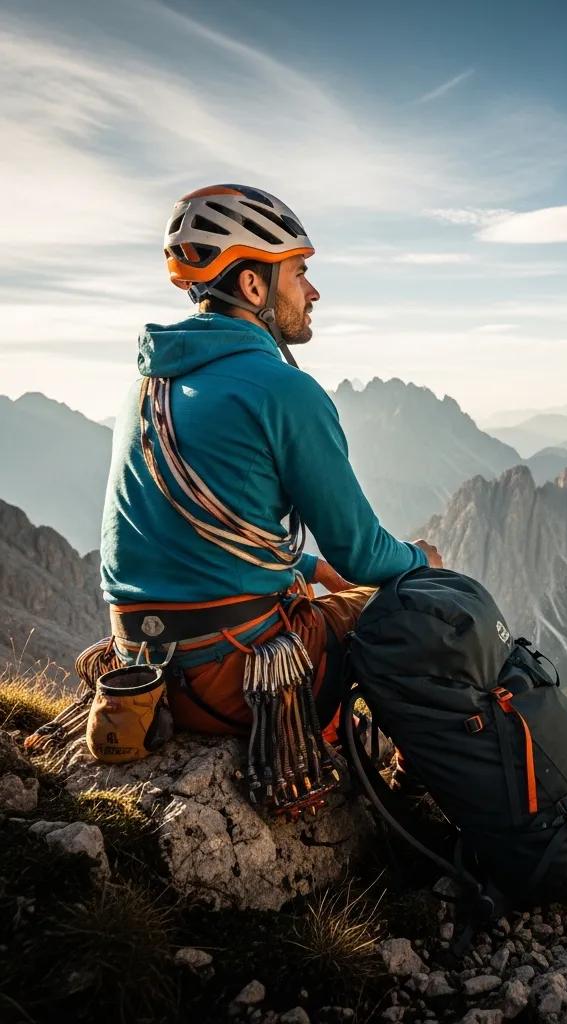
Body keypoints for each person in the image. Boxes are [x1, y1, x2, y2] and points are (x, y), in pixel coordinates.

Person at [91, 183, 441, 751]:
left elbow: (184, 533)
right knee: (427, 601)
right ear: (254, 283)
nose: (314, 290)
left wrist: (305, 566)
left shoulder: (143, 388)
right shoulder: (283, 390)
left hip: (142, 673)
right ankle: (417, 786)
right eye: (298, 271)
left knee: (336, 587)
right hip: (236, 679)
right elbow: (363, 555)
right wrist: (423, 558)